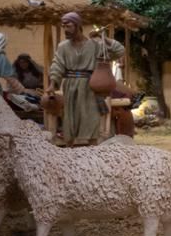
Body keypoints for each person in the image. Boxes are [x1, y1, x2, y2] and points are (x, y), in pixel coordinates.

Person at [47, 12, 124, 145]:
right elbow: (57, 65)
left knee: (90, 116)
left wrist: (103, 37)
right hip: (70, 85)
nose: (65, 30)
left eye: (68, 26)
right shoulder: (63, 46)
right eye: (63, 26)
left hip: (90, 86)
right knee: (70, 118)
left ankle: (92, 147)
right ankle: (70, 148)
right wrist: (52, 84)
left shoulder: (95, 45)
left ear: (78, 26)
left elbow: (119, 50)